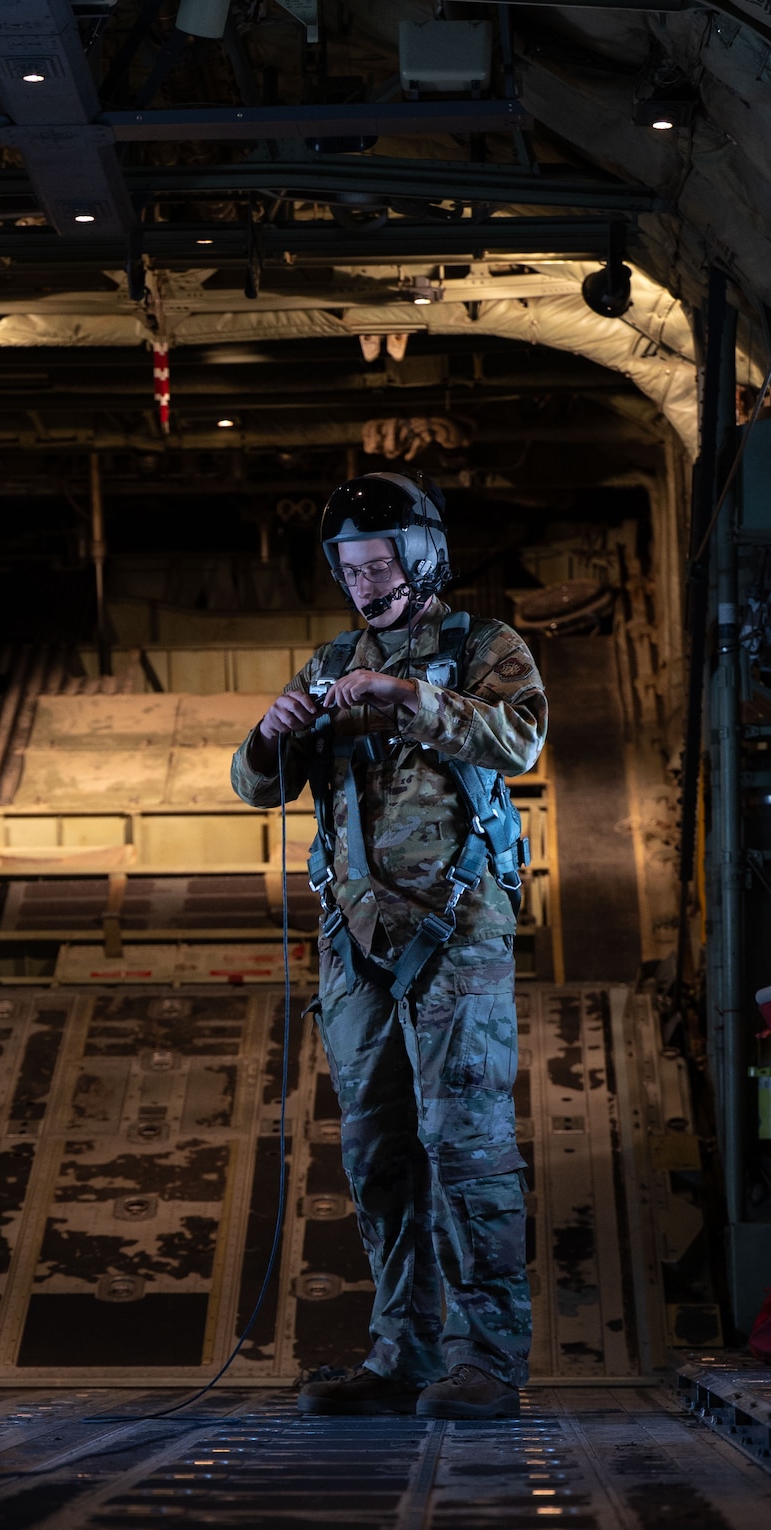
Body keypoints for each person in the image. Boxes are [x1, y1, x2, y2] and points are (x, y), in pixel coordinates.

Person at [231, 473, 547, 1418]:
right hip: (356, 941)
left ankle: (487, 1360)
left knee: (467, 1148)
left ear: (423, 560)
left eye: (379, 566)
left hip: (456, 932)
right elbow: (258, 786)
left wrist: (406, 695)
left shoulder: (484, 647)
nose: (364, 585)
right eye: (351, 569)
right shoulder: (330, 661)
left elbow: (519, 740)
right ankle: (402, 1353)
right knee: (378, 1154)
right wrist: (270, 733)